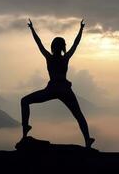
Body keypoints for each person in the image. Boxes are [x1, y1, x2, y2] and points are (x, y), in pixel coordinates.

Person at [21, 18, 95, 148]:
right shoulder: (65, 58)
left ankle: (25, 130)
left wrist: (32, 29)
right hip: (65, 90)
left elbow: (39, 43)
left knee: (24, 101)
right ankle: (87, 139)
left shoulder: (49, 58)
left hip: (52, 89)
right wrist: (81, 29)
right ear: (63, 47)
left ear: (53, 47)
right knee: (78, 115)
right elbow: (76, 44)